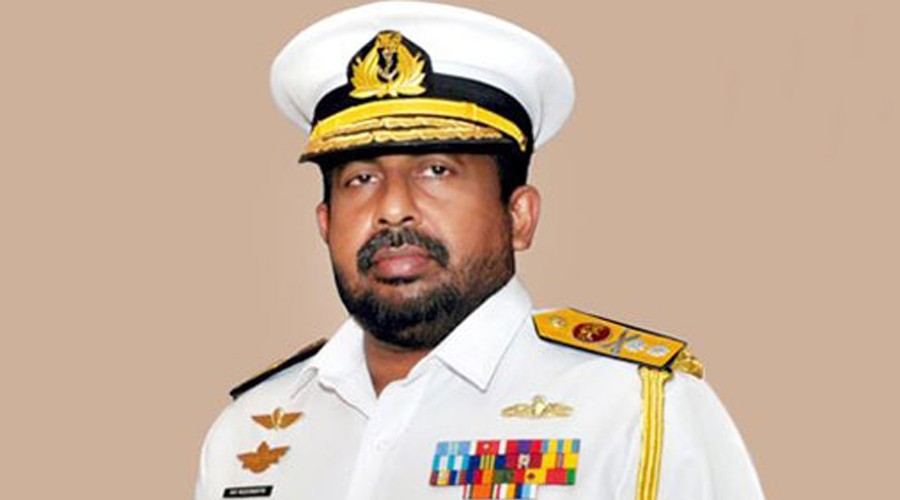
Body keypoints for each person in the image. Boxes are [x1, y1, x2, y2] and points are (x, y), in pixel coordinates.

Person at [193, 2, 765, 499]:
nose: (393, 208)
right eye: (361, 179)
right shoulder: (248, 430)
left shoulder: (632, 411)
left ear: (519, 216)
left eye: (436, 170)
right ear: (325, 222)